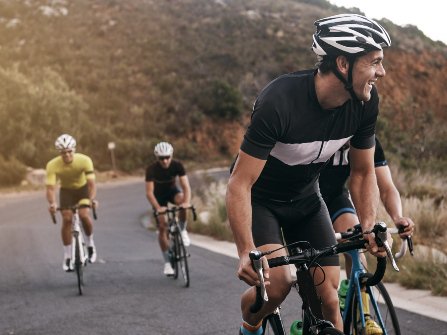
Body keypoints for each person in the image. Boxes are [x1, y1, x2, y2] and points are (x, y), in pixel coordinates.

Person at [226, 13, 393, 334]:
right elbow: (240, 182)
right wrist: (246, 251)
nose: (381, 72)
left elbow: (361, 172)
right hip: (263, 202)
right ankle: (250, 325)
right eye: (374, 62)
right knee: (277, 285)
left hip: (307, 201)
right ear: (343, 64)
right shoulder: (279, 101)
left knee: (329, 298)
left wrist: (370, 226)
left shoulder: (365, 104)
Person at [319, 137, 414, 334]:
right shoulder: (321, 134)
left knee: (357, 244)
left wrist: (397, 217)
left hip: (336, 199)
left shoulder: (366, 140)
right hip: (305, 201)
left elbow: (386, 187)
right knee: (321, 280)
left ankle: (364, 315)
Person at [46, 134, 98, 272]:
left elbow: (92, 184)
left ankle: (90, 244)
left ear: (74, 150)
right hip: (66, 191)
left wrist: (91, 200)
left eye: (69, 151)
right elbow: (50, 188)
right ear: (59, 153)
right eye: (63, 153)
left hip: (83, 190)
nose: (67, 155)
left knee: (84, 214)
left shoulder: (85, 160)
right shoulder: (52, 165)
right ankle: (68, 255)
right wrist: (52, 203)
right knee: (67, 219)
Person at [145, 141, 192, 277]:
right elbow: (149, 192)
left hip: (172, 192)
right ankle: (167, 263)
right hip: (158, 197)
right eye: (161, 158)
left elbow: (186, 186)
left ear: (171, 156)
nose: (165, 161)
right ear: (156, 158)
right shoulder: (151, 169)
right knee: (162, 226)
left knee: (183, 202)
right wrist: (158, 208)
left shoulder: (177, 165)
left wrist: (186, 203)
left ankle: (182, 230)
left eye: (167, 157)